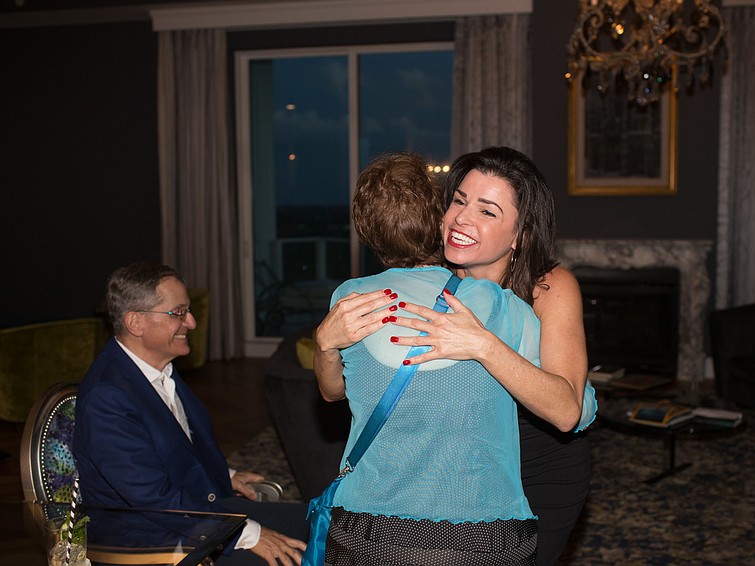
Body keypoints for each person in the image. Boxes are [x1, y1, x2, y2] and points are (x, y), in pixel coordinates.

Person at [313, 152, 541, 564]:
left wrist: (322, 344)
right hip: (485, 538)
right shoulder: (501, 305)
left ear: (366, 232)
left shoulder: (350, 299)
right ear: (442, 220)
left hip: (370, 535)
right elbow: (578, 409)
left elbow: (331, 393)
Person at [389, 146, 596, 565]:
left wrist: (483, 344)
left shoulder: (549, 289)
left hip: (538, 470)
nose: (461, 219)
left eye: (487, 211)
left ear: (520, 234)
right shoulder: (427, 279)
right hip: (458, 471)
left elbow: (566, 410)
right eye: (459, 201)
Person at [73, 262, 307, 566]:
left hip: (189, 512)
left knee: (318, 525)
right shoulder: (107, 396)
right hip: (147, 541)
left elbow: (170, 446)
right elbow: (152, 498)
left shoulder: (158, 368)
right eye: (178, 313)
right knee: (296, 557)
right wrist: (248, 534)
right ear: (135, 322)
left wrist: (226, 475)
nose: (192, 322)